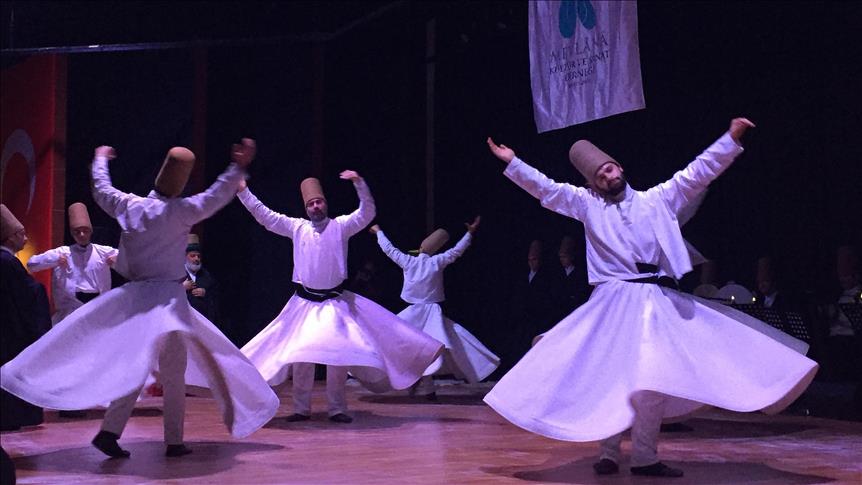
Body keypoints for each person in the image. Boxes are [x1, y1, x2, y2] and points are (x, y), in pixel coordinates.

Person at [483, 118, 818, 478]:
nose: (607, 176)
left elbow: (698, 173)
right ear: (592, 183)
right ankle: (608, 453)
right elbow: (547, 190)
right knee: (610, 377)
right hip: (612, 301)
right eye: (599, 176)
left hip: (652, 300)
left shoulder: (656, 200)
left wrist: (731, 139)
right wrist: (513, 162)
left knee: (653, 380)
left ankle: (644, 456)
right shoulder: (587, 204)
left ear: (619, 167)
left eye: (609, 169)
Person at [1, 140, 279, 459]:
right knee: (173, 372)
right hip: (168, 301)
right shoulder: (181, 211)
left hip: (135, 299)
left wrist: (100, 160)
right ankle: (172, 440)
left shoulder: (130, 206)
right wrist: (236, 167)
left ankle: (111, 432)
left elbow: (101, 190)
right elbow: (215, 196)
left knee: (135, 365)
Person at [237, 172, 442, 423]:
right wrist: (243, 192)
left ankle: (337, 408)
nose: (315, 206)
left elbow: (367, 212)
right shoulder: (297, 227)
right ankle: (301, 408)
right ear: (306, 208)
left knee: (338, 355)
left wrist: (359, 184)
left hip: (334, 303)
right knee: (301, 356)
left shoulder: (341, 226)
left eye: (319, 202)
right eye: (311, 204)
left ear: (325, 204)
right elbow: (265, 216)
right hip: (304, 304)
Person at [370, 218, 499, 399]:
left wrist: (379, 232)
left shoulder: (409, 261)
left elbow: (389, 249)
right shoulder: (437, 261)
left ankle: (420, 383)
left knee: (404, 344)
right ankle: (422, 384)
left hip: (416, 313)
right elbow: (457, 251)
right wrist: (469, 234)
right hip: (431, 315)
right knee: (435, 347)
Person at [0, 204, 51, 431]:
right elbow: (28, 295)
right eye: (21, 234)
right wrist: (39, 288)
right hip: (10, 331)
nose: (25, 238)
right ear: (10, 237)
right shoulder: (7, 261)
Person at [27, 203, 118, 325]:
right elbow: (32, 264)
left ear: (90, 231)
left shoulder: (103, 252)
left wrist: (117, 261)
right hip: (70, 309)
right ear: (72, 234)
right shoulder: (63, 252)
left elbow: (130, 260)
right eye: (77, 232)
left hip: (97, 307)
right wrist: (55, 259)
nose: (82, 235)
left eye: (85, 231)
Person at [183, 234, 223, 332]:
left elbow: (216, 297)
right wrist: (181, 288)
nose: (196, 259)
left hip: (202, 324)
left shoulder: (206, 276)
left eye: (198, 256)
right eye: (193, 256)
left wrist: (206, 293)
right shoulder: (177, 274)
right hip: (183, 322)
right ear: (185, 257)